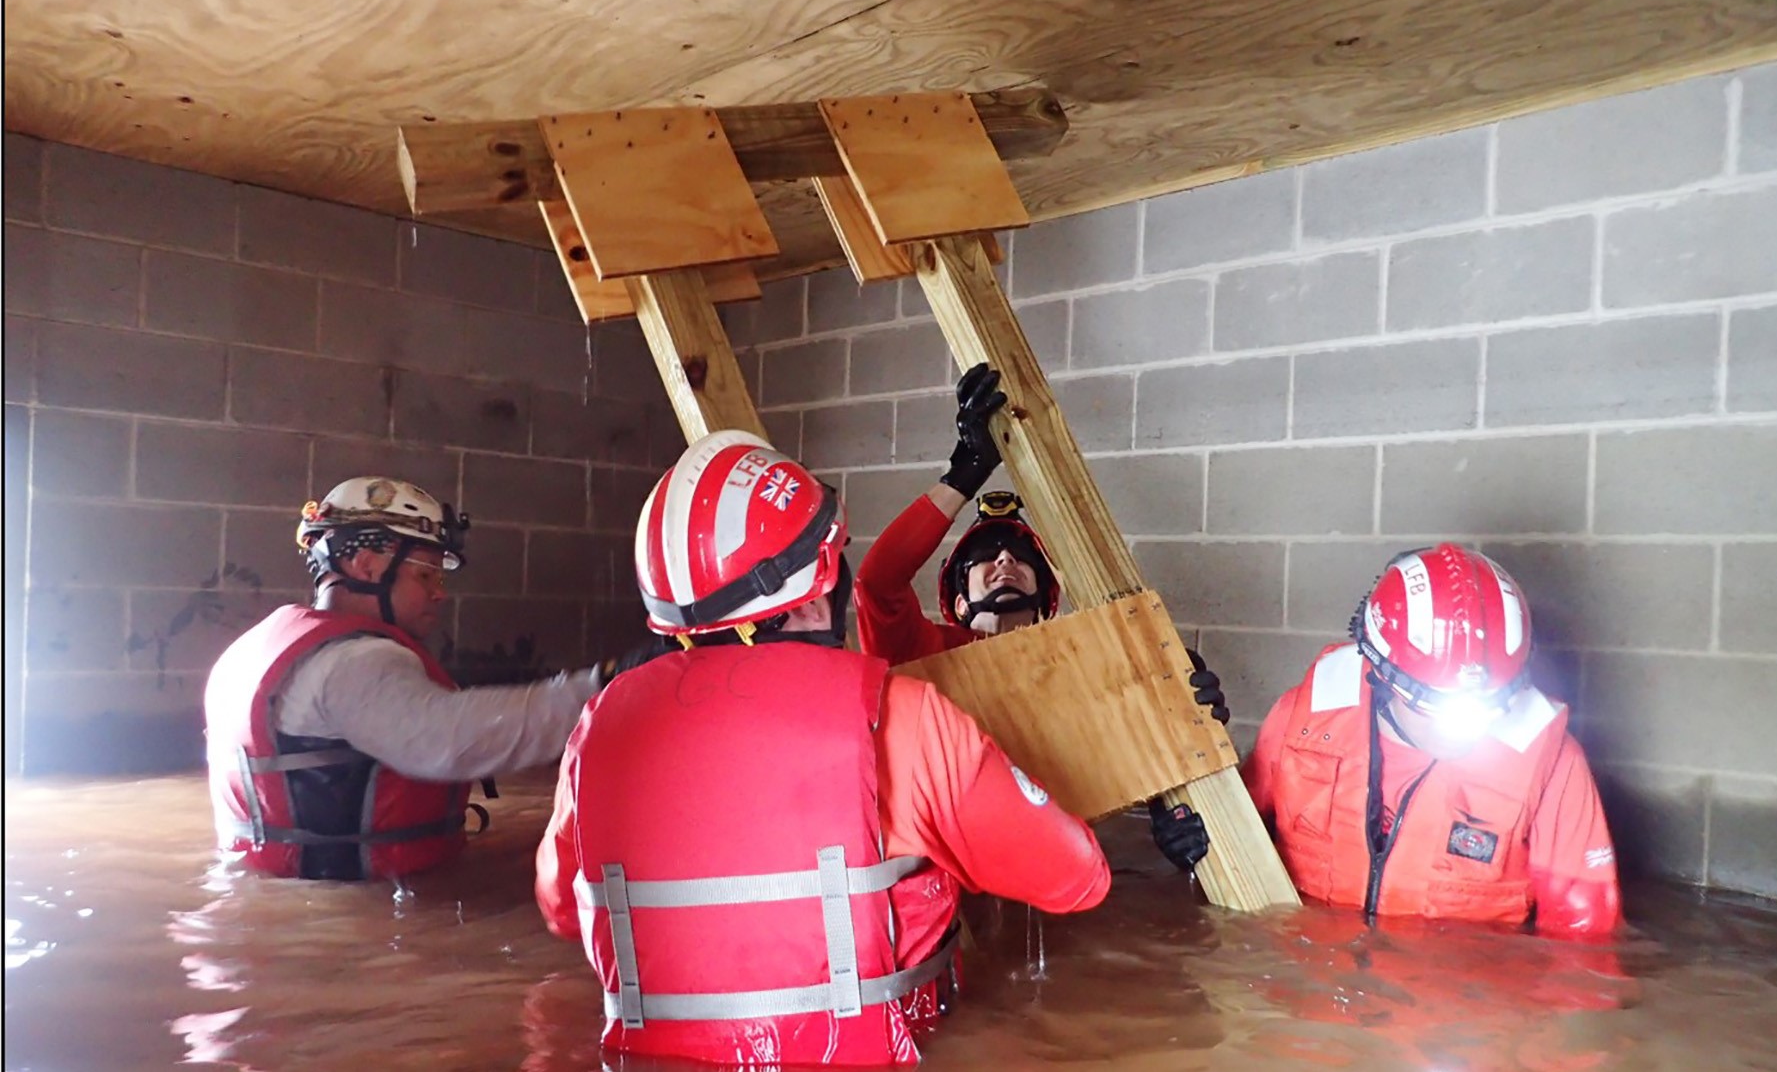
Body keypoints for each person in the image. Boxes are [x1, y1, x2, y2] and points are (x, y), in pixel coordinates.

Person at [535, 430, 1110, 1067]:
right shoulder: (903, 715)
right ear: (819, 588)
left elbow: (563, 909)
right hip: (885, 1050)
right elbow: (1077, 880)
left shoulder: (598, 725)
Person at [852, 362, 1227, 879]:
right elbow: (876, 582)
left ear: (1048, 597)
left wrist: (1177, 804)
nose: (1005, 562)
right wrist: (966, 470)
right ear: (958, 603)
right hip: (951, 893)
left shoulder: (1087, 675)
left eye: (1018, 557)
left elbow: (1139, 765)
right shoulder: (924, 654)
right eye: (986, 557)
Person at [204, 475, 630, 882]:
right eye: (425, 574)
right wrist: (604, 687)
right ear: (366, 566)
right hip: (361, 906)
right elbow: (452, 740)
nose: (439, 592)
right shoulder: (354, 663)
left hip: (288, 890)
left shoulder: (257, 647)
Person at [1242, 543, 1622, 935]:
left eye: (1493, 702)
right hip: (1309, 983)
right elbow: (1229, 835)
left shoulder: (1552, 760)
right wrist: (1186, 838)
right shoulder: (1299, 720)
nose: (1471, 723)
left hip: (1459, 990)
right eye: (1435, 704)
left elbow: (1584, 941)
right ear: (1384, 677)